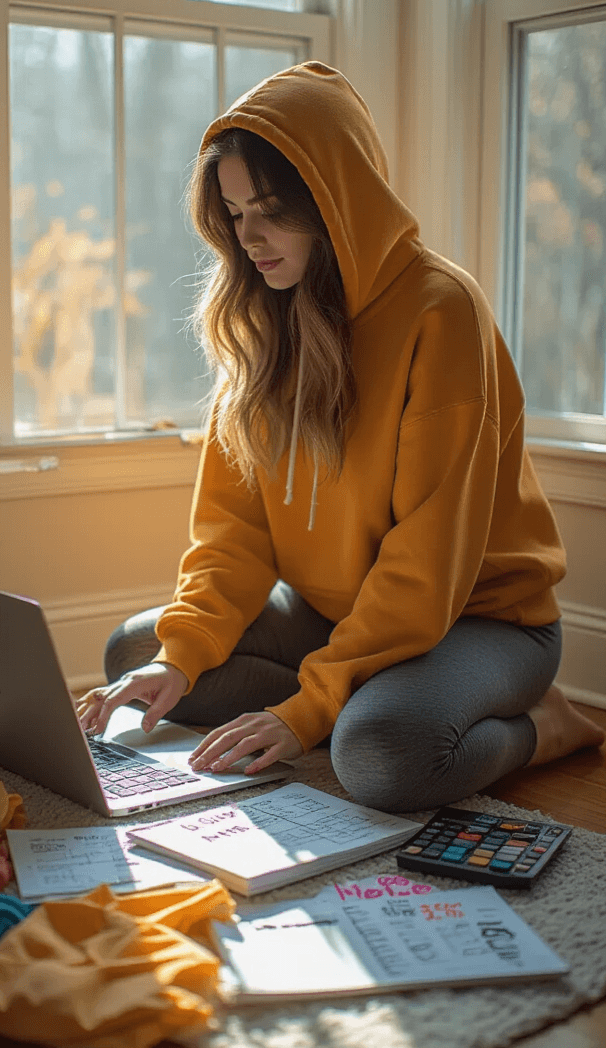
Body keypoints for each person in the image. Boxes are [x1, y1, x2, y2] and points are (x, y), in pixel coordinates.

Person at [77, 61, 603, 812]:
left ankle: (536, 724)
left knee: (384, 757)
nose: (248, 237)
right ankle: (358, 694)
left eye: (269, 210)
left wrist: (310, 707)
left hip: (478, 619)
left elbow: (425, 565)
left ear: (335, 199)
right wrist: (183, 655)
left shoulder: (440, 309)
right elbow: (234, 533)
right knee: (140, 654)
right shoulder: (264, 315)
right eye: (232, 212)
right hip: (334, 609)